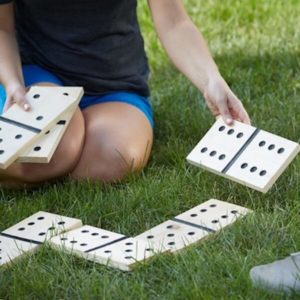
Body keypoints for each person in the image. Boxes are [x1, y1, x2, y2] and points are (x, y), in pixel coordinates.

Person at [0, 0, 250, 188]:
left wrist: (211, 80)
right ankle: (51, 161)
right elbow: (3, 29)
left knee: (114, 159)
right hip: (38, 73)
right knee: (58, 149)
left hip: (115, 83)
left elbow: (174, 22)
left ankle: (46, 168)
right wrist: (13, 83)